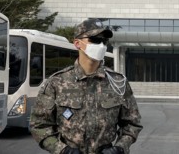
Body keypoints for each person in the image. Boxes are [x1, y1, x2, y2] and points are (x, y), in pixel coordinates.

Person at [30, 18, 143, 154]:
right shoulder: (57, 82)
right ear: (78, 43)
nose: (101, 45)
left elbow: (132, 123)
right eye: (95, 40)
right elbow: (39, 125)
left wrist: (119, 148)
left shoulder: (118, 83)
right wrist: (61, 150)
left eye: (104, 41)